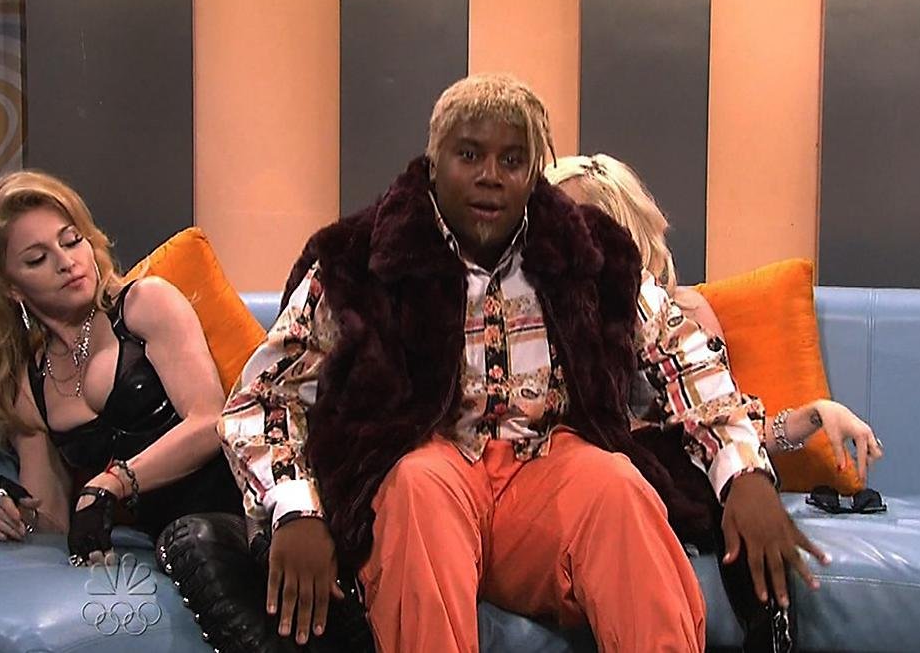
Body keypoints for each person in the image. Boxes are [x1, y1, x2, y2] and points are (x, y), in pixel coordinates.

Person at [217, 73, 804, 653]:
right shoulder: (359, 257)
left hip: (548, 467)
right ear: (434, 162)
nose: (490, 176)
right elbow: (262, 396)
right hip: (430, 470)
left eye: (512, 159)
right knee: (418, 487)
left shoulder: (591, 252)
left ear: (535, 171)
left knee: (619, 488)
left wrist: (745, 473)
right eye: (469, 155)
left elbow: (687, 360)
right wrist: (295, 509)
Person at [545, 153, 885, 651]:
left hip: (672, 471)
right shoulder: (536, 309)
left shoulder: (676, 312)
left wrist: (813, 415)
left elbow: (720, 421)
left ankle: (771, 635)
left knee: (729, 488)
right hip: (586, 475)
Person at [0, 170, 241, 568]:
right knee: (185, 545)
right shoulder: (28, 384)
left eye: (71, 240)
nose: (67, 262)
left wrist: (113, 483)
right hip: (166, 549)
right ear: (11, 288)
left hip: (238, 517)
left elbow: (208, 422)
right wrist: (4, 508)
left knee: (194, 542)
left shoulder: (145, 304)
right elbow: (52, 522)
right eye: (37, 259)